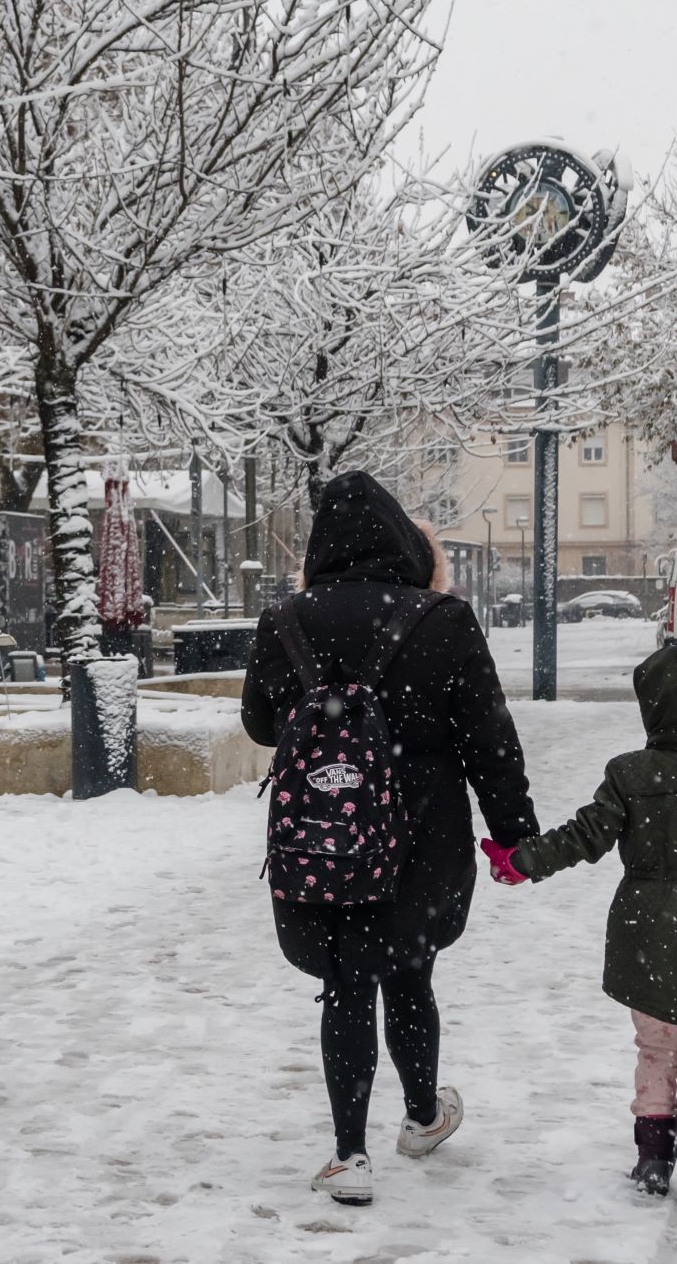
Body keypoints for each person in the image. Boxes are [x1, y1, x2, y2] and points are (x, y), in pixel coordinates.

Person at [242, 472, 538, 1208]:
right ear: (403, 538)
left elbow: (257, 722)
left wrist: (327, 723)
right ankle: (421, 1114)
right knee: (409, 970)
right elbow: (490, 741)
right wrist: (514, 835)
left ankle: (349, 1154)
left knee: (345, 980)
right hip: (421, 833)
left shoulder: (285, 620)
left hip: (323, 837)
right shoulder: (444, 619)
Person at [479, 639, 677, 1197]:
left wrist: (523, 862)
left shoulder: (630, 775)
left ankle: (653, 1157)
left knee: (657, 1045)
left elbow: (584, 836)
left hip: (646, 930)